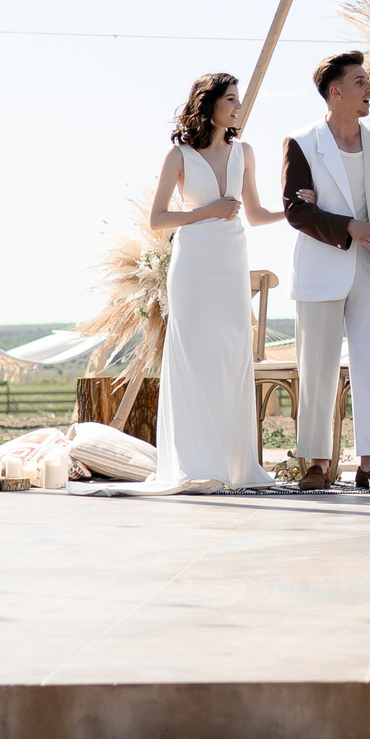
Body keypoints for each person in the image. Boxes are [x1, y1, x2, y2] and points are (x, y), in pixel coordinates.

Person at [142, 72, 287, 490]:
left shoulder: (245, 152)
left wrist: (296, 211)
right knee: (193, 356)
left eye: (238, 99)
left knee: (230, 355)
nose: (237, 106)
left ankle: (234, 464)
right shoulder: (180, 155)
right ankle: (194, 465)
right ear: (209, 104)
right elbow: (158, 220)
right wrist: (207, 212)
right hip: (193, 266)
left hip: (230, 263)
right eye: (230, 99)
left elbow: (255, 214)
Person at [282, 51, 370, 491]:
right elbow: (296, 211)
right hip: (322, 267)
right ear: (335, 91)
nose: (369, 89)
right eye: (360, 82)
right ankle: (317, 464)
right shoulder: (301, 142)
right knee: (316, 366)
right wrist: (348, 227)